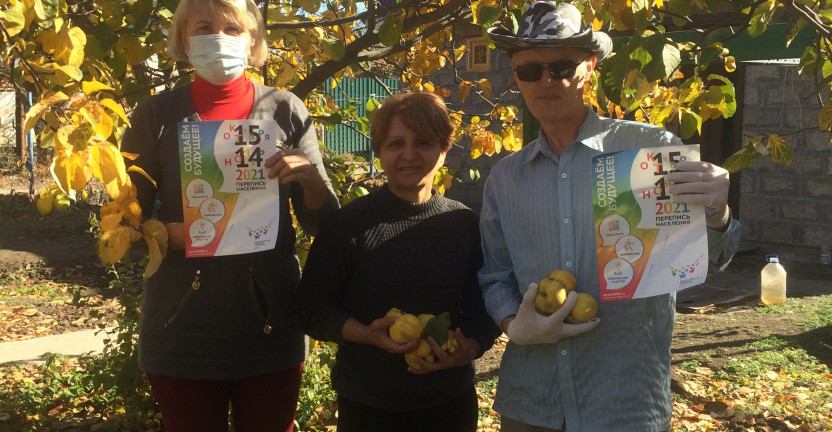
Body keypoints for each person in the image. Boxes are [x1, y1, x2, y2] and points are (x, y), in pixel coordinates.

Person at [480, 2, 742, 431]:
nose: (546, 80)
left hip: (623, 401)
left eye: (561, 66)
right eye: (530, 70)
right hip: (532, 402)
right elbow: (495, 275)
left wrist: (718, 214)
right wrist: (514, 323)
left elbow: (706, 264)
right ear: (516, 76)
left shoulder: (649, 152)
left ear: (589, 67)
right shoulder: (505, 178)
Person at [120, 0, 339, 430]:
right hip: (180, 331)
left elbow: (324, 225)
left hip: (269, 328)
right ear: (185, 39)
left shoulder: (284, 110)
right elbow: (123, 226)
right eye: (204, 26)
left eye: (232, 28)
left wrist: (310, 180)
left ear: (252, 40)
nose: (218, 37)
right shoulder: (155, 117)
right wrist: (168, 236)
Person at [295, 92, 501, 432]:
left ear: (444, 149)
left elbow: (485, 307)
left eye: (422, 142)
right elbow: (311, 307)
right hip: (368, 407)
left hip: (449, 405)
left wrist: (471, 347)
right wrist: (364, 333)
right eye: (395, 143)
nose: (408, 155)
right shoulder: (349, 225)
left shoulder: (464, 224)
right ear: (379, 151)